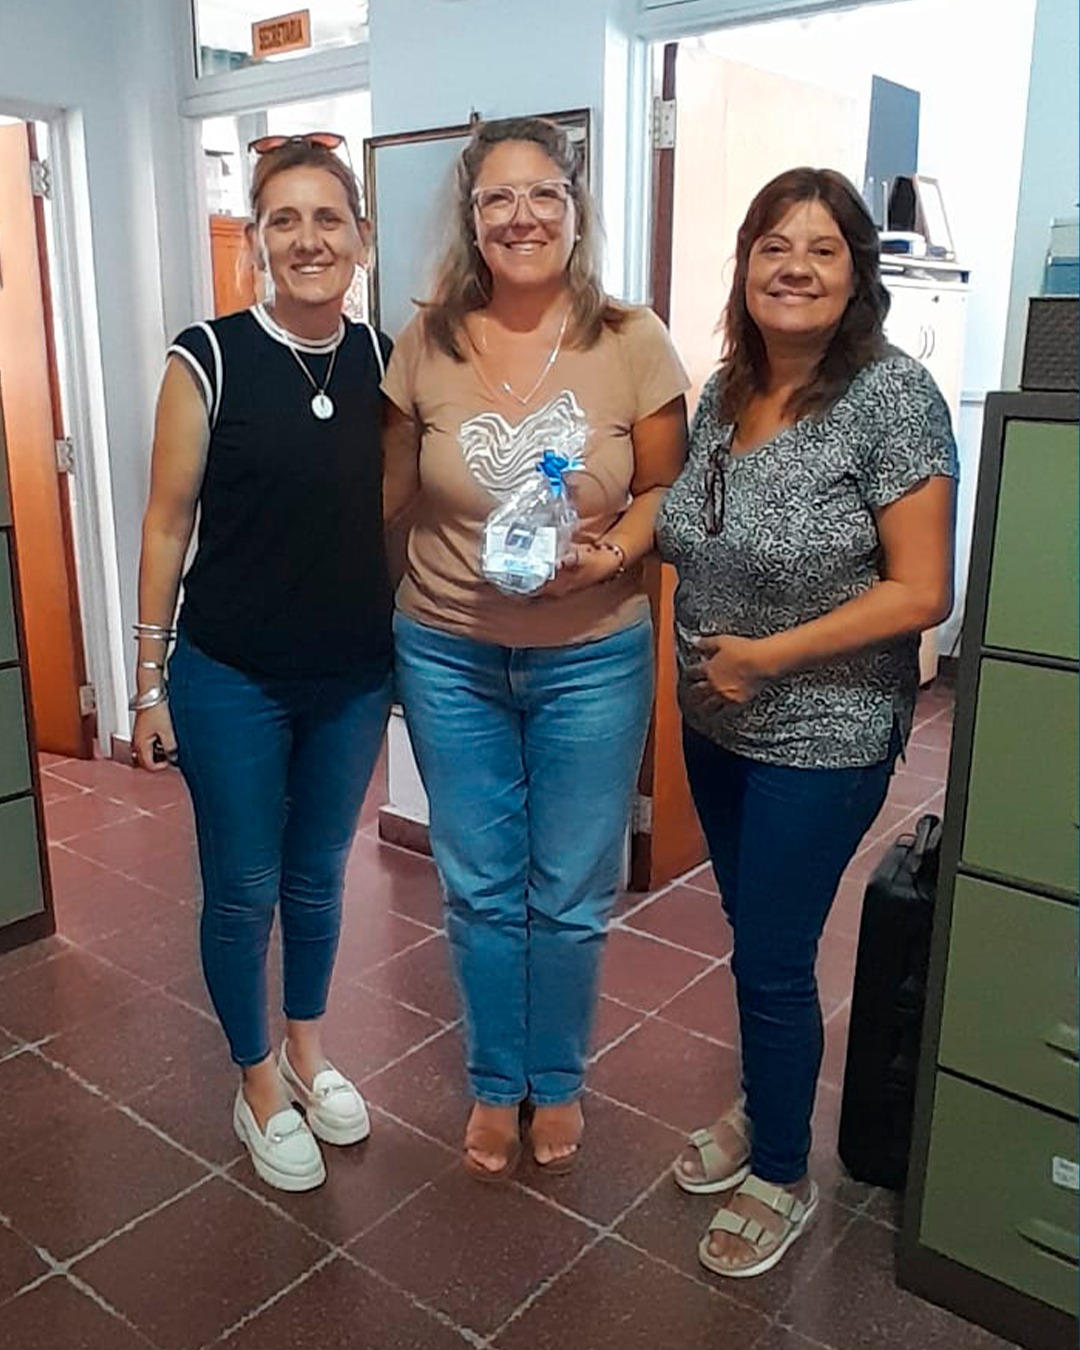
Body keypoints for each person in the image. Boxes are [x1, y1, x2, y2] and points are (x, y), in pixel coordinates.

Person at [656, 167, 957, 1277]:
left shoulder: (892, 398)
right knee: (756, 943)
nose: (794, 267)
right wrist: (604, 539)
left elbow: (922, 591)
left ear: (857, 273)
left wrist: (765, 659)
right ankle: (766, 1101)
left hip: (823, 734)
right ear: (745, 265)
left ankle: (782, 1173)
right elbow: (682, 518)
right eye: (773, 246)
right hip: (715, 720)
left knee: (776, 958)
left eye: (822, 249)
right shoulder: (727, 391)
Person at [382, 116, 688, 1180]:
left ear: (575, 207)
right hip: (448, 649)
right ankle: (491, 1080)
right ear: (471, 218)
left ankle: (553, 1081)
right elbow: (383, 491)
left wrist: (609, 556)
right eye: (497, 199)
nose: (522, 217)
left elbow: (665, 487)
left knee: (567, 891)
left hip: (592, 654)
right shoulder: (427, 341)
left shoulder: (631, 338)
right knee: (477, 883)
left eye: (543, 194)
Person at [130, 133, 394, 1193]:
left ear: (361, 239)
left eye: (328, 218)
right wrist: (148, 683)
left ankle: (306, 1052)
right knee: (243, 889)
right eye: (284, 219)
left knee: (319, 877)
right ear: (257, 239)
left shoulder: (386, 362)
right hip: (230, 673)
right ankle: (255, 1086)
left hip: (352, 678)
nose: (308, 239)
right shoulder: (207, 357)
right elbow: (166, 525)